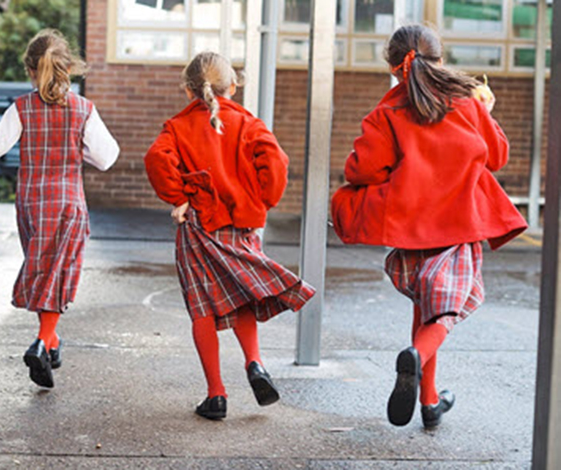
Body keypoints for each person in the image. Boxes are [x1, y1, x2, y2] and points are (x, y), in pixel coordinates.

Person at [331, 24, 527, 429]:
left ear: (393, 67)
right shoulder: (466, 103)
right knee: (450, 310)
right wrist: (486, 112)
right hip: (458, 226)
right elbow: (497, 157)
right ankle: (416, 358)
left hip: (410, 228)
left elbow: (364, 169)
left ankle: (429, 401)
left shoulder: (387, 112)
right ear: (441, 59)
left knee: (426, 305)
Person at [0, 29, 119, 389]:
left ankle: (50, 342)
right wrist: (80, 148)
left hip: (32, 203)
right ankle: (42, 341)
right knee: (56, 274)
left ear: (31, 70)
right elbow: (106, 158)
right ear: (67, 68)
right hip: (68, 204)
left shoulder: (22, 107)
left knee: (41, 270)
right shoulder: (83, 109)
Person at [144, 51, 315, 420]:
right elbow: (276, 163)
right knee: (241, 297)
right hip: (241, 226)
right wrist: (261, 201)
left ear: (189, 90)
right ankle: (255, 364)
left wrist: (180, 197)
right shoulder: (249, 124)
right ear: (233, 87)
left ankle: (216, 394)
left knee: (203, 308)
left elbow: (156, 160)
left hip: (198, 229)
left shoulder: (176, 127)